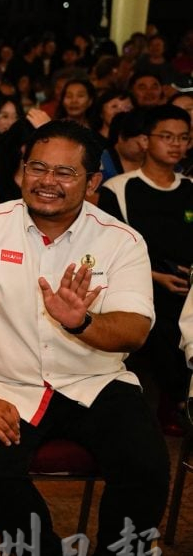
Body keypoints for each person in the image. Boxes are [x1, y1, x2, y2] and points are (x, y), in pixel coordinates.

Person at [0, 120, 170, 556]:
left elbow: (135, 329)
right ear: (21, 171)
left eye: (65, 172)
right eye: (37, 168)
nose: (48, 181)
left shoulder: (121, 240)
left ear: (92, 183)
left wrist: (81, 322)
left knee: (146, 464)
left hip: (94, 379)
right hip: (7, 381)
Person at [98, 104, 193, 434]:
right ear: (145, 141)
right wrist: (155, 277)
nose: (176, 144)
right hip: (139, 284)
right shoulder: (119, 189)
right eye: (166, 136)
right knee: (157, 319)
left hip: (187, 286)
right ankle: (179, 400)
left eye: (183, 137)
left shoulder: (190, 188)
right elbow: (107, 250)